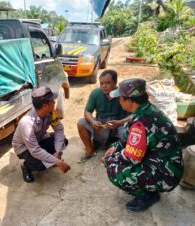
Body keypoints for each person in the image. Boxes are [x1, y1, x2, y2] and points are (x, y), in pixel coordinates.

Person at [102, 78, 184, 212]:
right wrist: (116, 146)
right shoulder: (146, 109)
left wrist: (110, 159)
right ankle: (148, 186)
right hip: (164, 162)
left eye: (120, 98)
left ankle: (147, 195)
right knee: (117, 156)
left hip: (167, 172)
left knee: (113, 169)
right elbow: (130, 137)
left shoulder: (142, 122)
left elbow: (132, 157)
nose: (119, 101)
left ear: (129, 101)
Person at [12, 86, 71, 183]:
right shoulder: (27, 123)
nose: (54, 102)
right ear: (45, 106)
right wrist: (56, 162)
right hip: (25, 148)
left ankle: (49, 159)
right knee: (40, 165)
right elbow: (35, 150)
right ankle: (26, 166)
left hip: (39, 140)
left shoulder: (51, 112)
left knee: (63, 140)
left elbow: (59, 130)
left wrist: (58, 152)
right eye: (52, 101)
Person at [77, 69, 131, 163]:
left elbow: (135, 115)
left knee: (131, 131)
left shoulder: (123, 94)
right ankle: (90, 150)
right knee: (81, 122)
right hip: (101, 127)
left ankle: (118, 151)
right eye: (101, 83)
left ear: (115, 83)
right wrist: (93, 122)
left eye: (107, 83)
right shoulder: (96, 93)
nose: (104, 86)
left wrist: (120, 122)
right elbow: (87, 112)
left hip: (118, 127)